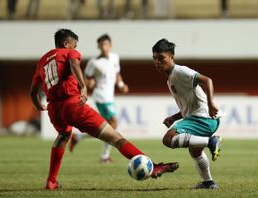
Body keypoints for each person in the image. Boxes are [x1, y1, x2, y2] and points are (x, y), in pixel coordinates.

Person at [30, 29, 179, 190]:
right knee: (116, 138)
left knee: (63, 135)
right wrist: (83, 86)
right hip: (74, 104)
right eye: (74, 45)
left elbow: (33, 91)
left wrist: (37, 103)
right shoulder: (68, 53)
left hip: (54, 109)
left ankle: (51, 181)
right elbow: (74, 64)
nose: (75, 48)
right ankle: (154, 167)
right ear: (66, 44)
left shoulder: (43, 61)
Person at [151, 38, 223, 189]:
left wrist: (210, 103)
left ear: (171, 57)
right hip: (202, 118)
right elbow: (188, 107)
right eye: (154, 59)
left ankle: (211, 142)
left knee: (168, 139)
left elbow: (207, 80)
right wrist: (174, 117)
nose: (157, 62)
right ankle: (208, 183)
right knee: (195, 151)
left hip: (203, 118)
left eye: (161, 58)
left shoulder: (180, 71)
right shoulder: (170, 78)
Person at [68, 34, 129, 163]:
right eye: (101, 45)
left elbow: (117, 73)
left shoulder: (115, 58)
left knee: (105, 127)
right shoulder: (94, 62)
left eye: (106, 44)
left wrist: (121, 85)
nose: (104, 47)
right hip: (101, 96)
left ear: (110, 45)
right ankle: (104, 156)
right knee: (113, 123)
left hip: (110, 96)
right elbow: (86, 77)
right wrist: (89, 83)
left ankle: (78, 137)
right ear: (98, 46)